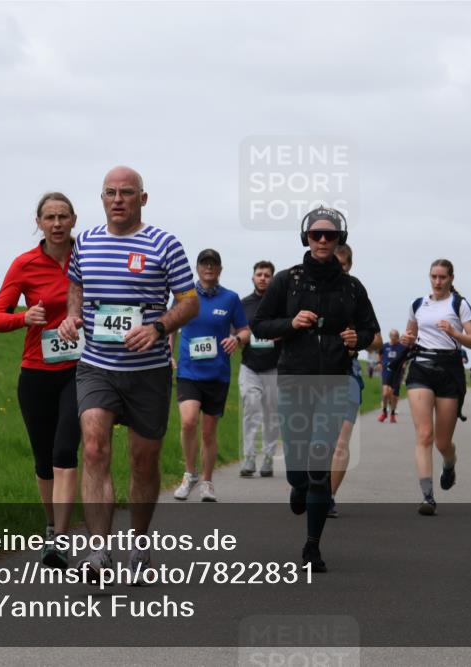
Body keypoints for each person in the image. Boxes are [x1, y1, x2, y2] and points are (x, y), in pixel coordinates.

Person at [58, 166, 199, 578]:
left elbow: (189, 302)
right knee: (93, 448)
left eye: (126, 192)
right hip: (97, 366)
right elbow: (76, 286)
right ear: (102, 198)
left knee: (143, 461)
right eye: (110, 192)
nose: (117, 200)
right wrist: (72, 316)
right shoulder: (86, 242)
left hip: (148, 372)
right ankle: (99, 551)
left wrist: (157, 328)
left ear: (143, 198)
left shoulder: (165, 244)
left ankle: (139, 544)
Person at [252, 207, 379, 572]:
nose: (322, 240)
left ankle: (312, 546)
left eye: (330, 235)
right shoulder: (286, 281)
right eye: (315, 234)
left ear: (340, 239)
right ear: (305, 238)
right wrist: (291, 323)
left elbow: (370, 331)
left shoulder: (352, 287)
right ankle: (298, 484)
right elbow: (259, 325)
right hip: (295, 379)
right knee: (298, 467)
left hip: (334, 381)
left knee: (320, 463)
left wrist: (357, 339)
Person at [0, 192, 82, 569]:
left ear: (74, 220)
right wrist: (24, 318)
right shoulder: (24, 264)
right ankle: (51, 526)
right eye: (49, 217)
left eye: (63, 216)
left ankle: (61, 539)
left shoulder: (87, 257)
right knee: (44, 459)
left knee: (64, 452)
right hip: (36, 373)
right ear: (39, 223)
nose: (57, 224)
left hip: (79, 370)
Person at [400, 259, 471, 516]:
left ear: (451, 279)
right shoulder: (418, 304)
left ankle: (449, 462)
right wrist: (406, 339)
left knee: (442, 442)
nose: (437, 281)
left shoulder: (459, 304)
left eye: (442, 277)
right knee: (424, 435)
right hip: (421, 368)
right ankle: (427, 496)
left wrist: (455, 333)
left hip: (449, 370)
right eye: (433, 277)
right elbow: (410, 336)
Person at [172, 249, 250, 502]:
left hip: (217, 373)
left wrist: (236, 339)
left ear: (220, 269)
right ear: (197, 268)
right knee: (188, 422)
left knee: (208, 432)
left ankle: (207, 481)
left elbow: (245, 330)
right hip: (189, 371)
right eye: (204, 263)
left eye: (213, 264)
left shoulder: (230, 298)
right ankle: (189, 473)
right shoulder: (184, 296)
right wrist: (168, 354)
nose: (208, 268)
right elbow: (171, 325)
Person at [328, 243, 382, 518]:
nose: (338, 269)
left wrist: (357, 339)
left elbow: (377, 340)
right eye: (334, 263)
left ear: (350, 265)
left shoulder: (356, 293)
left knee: (341, 441)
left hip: (347, 373)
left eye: (343, 264)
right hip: (313, 373)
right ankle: (309, 488)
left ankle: (328, 497)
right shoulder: (307, 290)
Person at [238, 260, 282, 478]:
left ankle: (268, 457)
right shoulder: (243, 304)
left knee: (271, 415)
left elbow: (289, 328)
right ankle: (249, 457)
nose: (263, 278)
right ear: (253, 277)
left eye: (267, 275)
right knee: (251, 407)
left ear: (272, 279)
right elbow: (235, 330)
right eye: (259, 274)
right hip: (250, 366)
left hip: (274, 368)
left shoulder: (280, 304)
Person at [376, 330, 406, 422]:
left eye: (396, 336)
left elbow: (405, 357)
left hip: (397, 373)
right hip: (386, 371)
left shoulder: (402, 347)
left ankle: (392, 414)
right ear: (390, 336)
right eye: (393, 336)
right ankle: (384, 412)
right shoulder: (385, 346)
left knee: (393, 395)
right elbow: (379, 354)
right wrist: (379, 363)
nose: (394, 338)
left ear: (398, 336)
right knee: (385, 393)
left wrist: (404, 363)